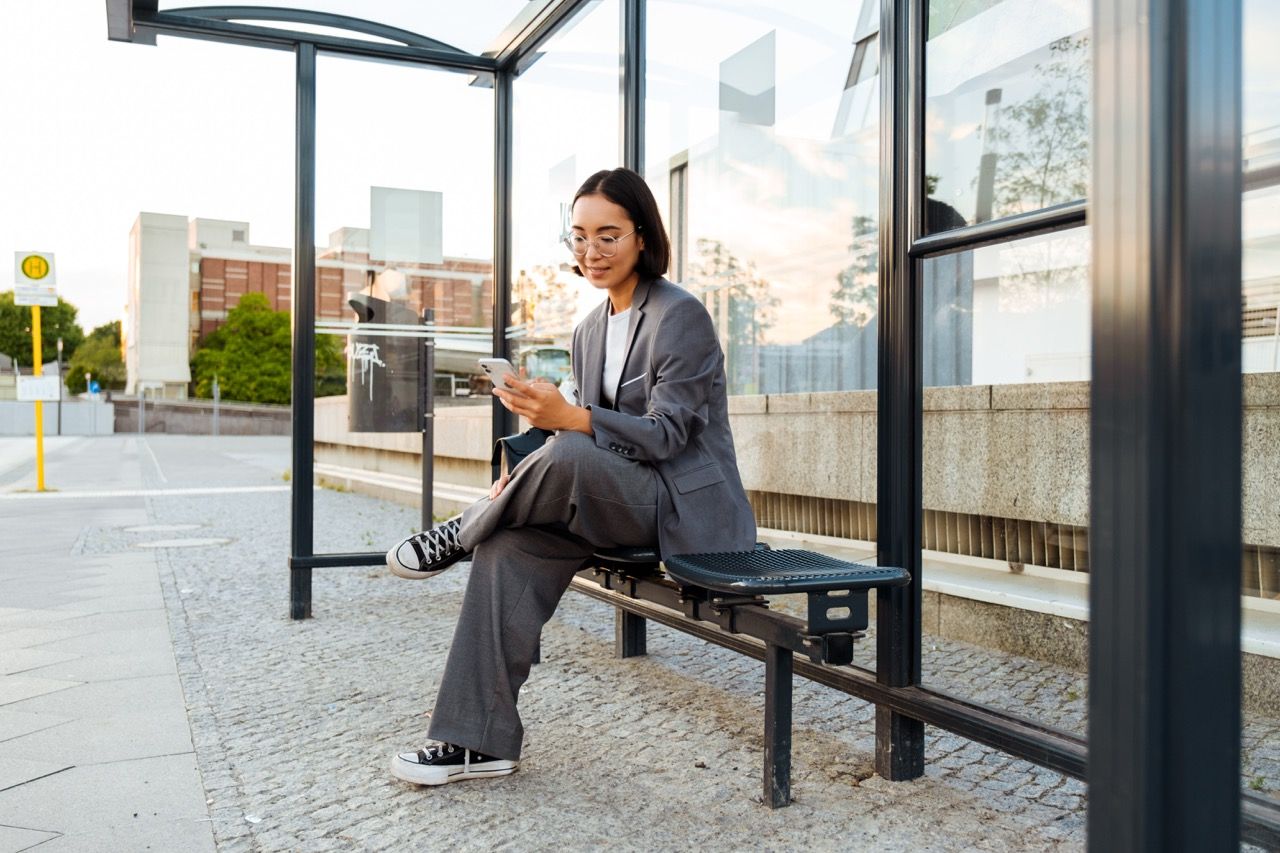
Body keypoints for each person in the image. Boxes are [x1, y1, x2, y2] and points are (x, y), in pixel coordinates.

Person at [384, 167, 756, 787]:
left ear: (642, 236)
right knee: (508, 544)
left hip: (677, 507)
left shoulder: (679, 315)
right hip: (605, 500)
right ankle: (476, 742)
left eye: (608, 235)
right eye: (579, 236)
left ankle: (461, 531)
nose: (591, 251)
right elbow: (579, 433)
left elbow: (668, 435)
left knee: (571, 457)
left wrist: (572, 418)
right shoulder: (588, 329)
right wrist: (545, 425)